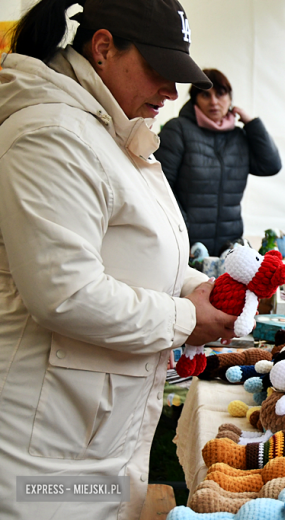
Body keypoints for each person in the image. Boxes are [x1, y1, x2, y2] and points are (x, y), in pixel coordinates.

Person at [0, 0, 239, 518]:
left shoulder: (107, 130)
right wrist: (184, 317)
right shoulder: (51, 136)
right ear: (103, 48)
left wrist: (195, 287)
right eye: (159, 70)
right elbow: (65, 293)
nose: (172, 92)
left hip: (95, 442)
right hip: (47, 458)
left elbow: (132, 254)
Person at [157, 68, 282, 255]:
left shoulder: (239, 136)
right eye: (205, 95)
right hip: (187, 245)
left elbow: (271, 165)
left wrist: (251, 123)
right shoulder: (177, 130)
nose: (214, 101)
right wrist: (181, 226)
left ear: (230, 99)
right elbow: (160, 184)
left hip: (229, 246)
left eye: (220, 94)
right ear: (195, 100)